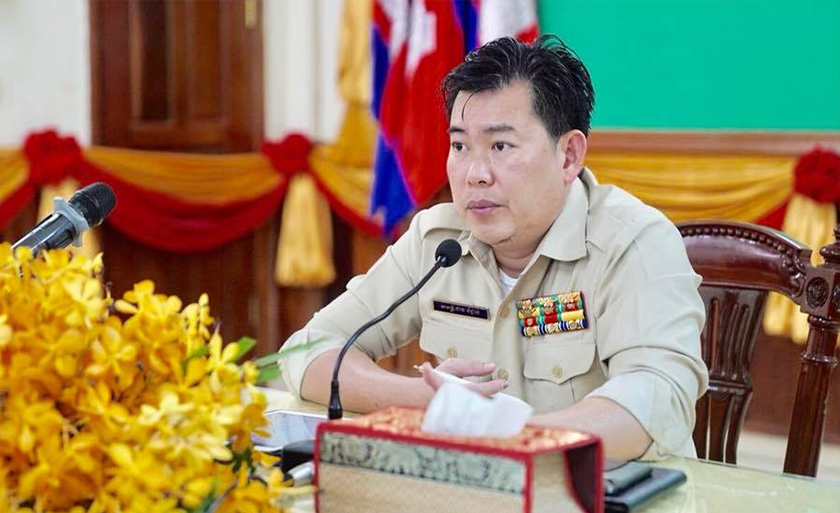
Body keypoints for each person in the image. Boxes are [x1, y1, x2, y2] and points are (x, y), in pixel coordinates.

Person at [278, 35, 708, 460]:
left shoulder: (634, 243)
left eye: (500, 146)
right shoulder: (438, 242)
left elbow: (655, 400)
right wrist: (422, 399)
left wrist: (504, 439)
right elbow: (309, 350)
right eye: (460, 146)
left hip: (606, 490)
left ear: (568, 155)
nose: (475, 174)